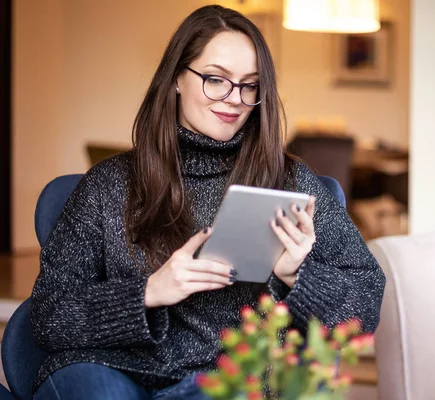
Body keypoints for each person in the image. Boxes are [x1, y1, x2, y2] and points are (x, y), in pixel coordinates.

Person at [30, 5, 386, 400]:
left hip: (232, 381)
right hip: (115, 371)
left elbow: (365, 307)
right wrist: (149, 291)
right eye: (215, 79)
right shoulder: (109, 184)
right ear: (177, 78)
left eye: (249, 85)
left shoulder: (289, 181)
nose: (234, 99)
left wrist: (297, 273)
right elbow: (48, 318)